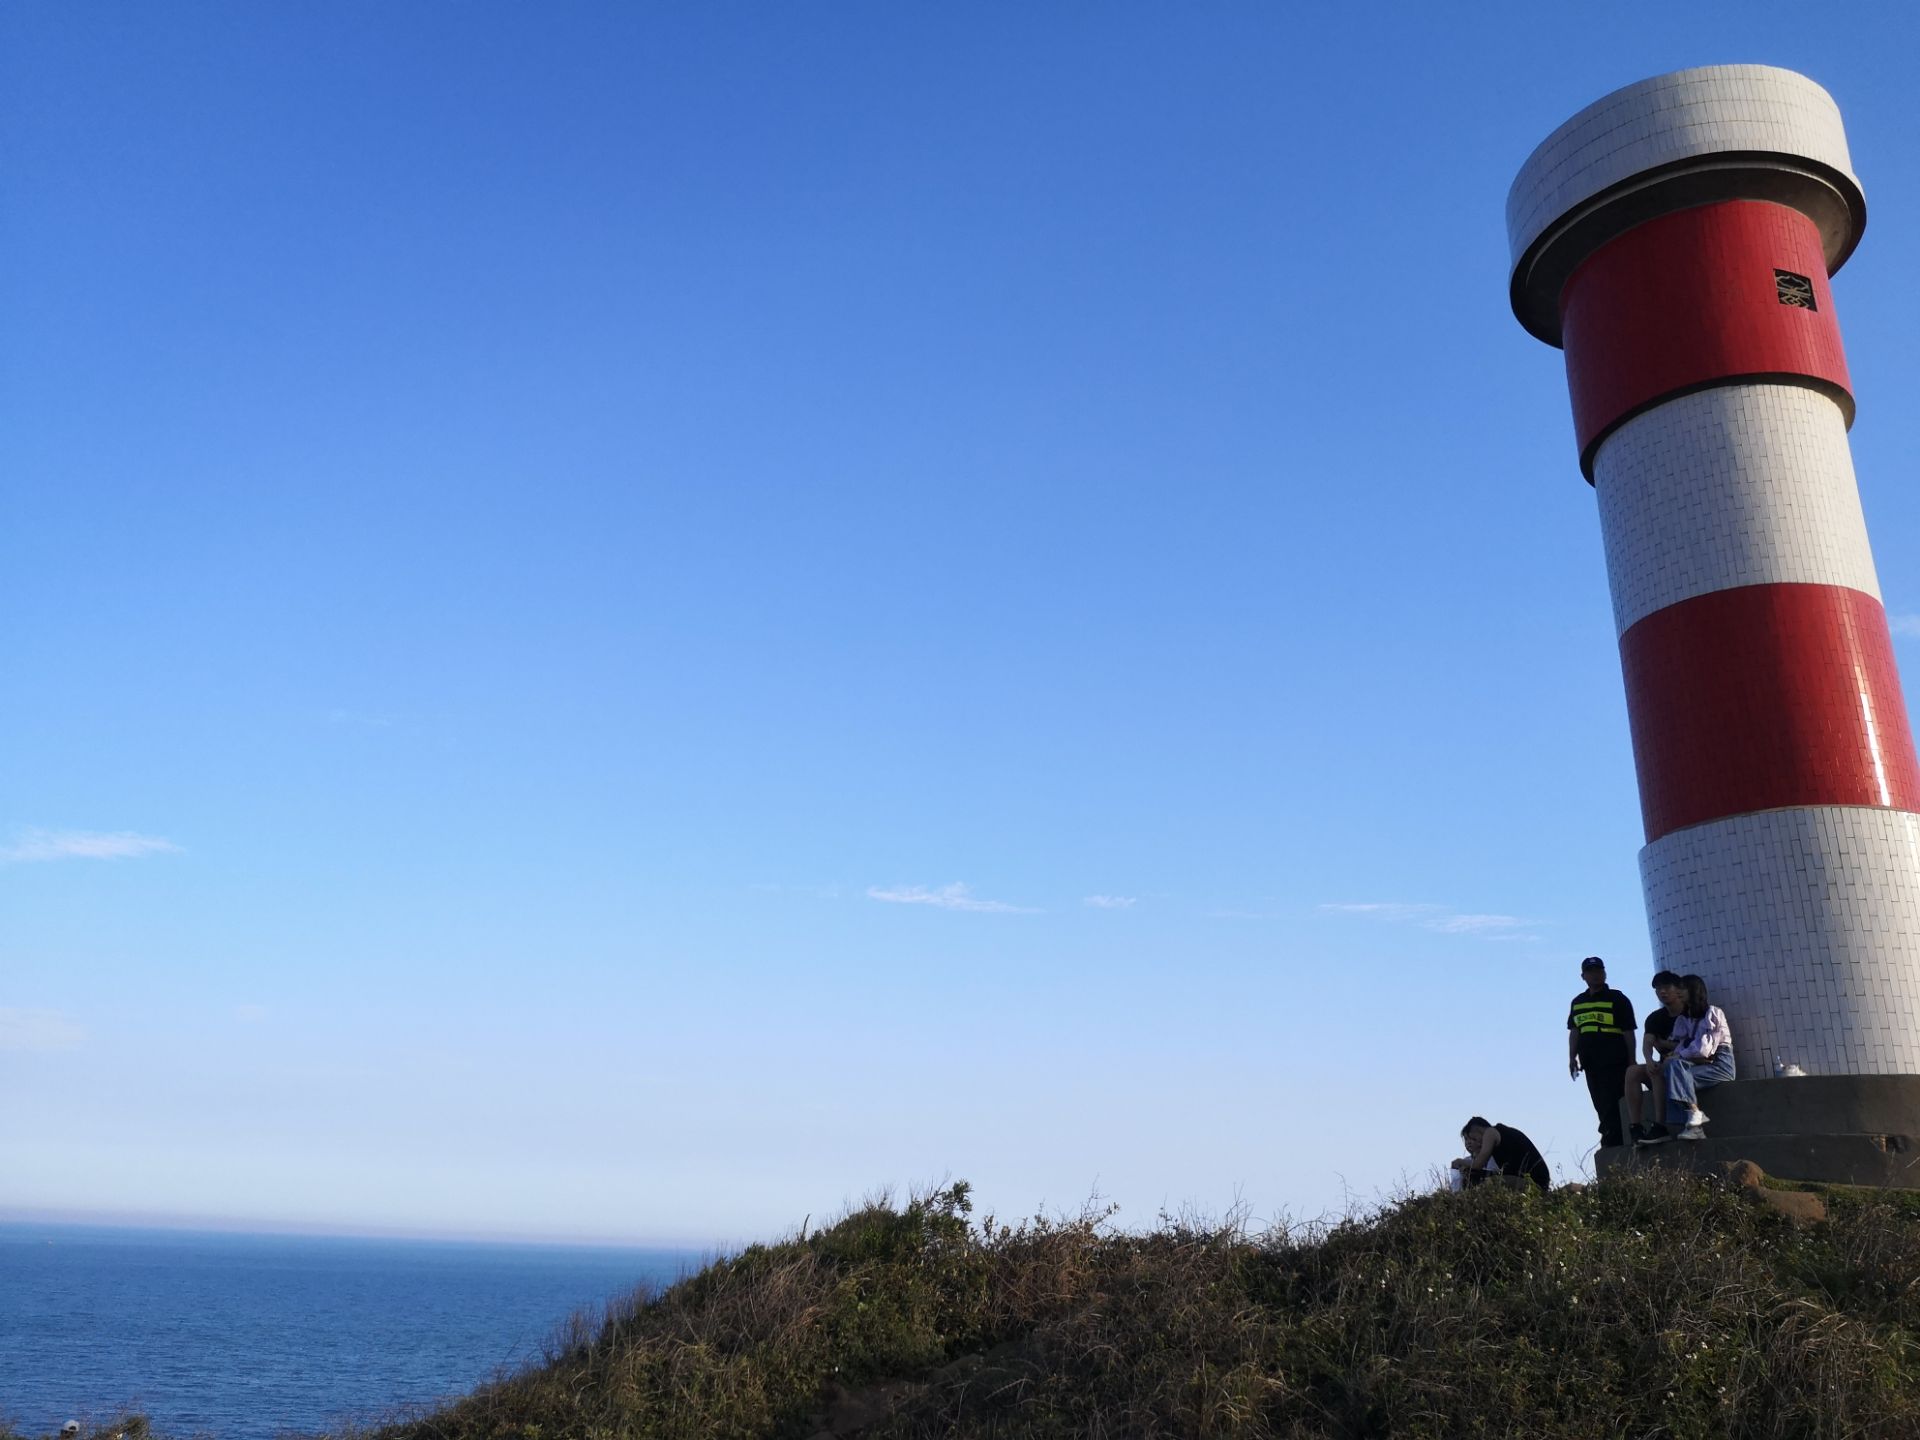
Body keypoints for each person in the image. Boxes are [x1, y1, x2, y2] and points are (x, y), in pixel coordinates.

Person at [1567, 956, 1636, 1149]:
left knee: (1614, 1101)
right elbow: (1575, 1031)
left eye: (1599, 970)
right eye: (1591, 972)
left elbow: (1628, 1032)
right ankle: (1610, 1135)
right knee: (1600, 1102)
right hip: (1590, 1062)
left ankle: (1614, 1139)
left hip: (1615, 1060)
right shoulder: (1578, 1002)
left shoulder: (1618, 999)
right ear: (1583, 976)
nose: (1596, 975)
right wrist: (1572, 1057)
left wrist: (1632, 1061)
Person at [1661, 974, 1735, 1141]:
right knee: (1674, 1072)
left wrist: (1677, 1055)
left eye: (1683, 988)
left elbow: (1704, 1049)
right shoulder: (1685, 1019)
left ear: (1694, 990)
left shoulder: (1713, 1013)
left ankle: (1694, 1119)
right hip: (1702, 1066)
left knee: (1675, 1070)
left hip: (1720, 1066)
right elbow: (1684, 1047)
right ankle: (1694, 1120)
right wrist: (1675, 1055)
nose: (1679, 992)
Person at [1625, 970, 1685, 1144]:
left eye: (1666, 987)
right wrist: (1649, 1060)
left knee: (1659, 1069)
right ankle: (1635, 1127)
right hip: (1664, 1064)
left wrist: (1666, 1045)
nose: (1662, 992)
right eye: (1658, 989)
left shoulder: (1690, 1014)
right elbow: (1648, 1042)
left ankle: (1660, 1125)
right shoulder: (1655, 1018)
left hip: (1685, 1065)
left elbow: (1693, 1046)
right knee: (1633, 1071)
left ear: (1679, 989)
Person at [1451, 1116, 1551, 1191]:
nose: (1476, 1142)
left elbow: (1478, 1164)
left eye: (1474, 1138)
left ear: (1478, 1129)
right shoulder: (1500, 1135)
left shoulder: (1491, 1132)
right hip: (1533, 1181)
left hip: (1535, 1182)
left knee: (1489, 1184)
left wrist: (1460, 1161)